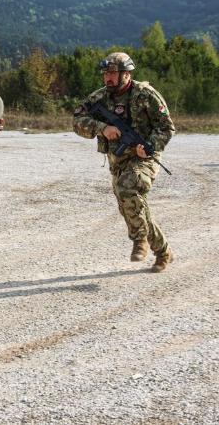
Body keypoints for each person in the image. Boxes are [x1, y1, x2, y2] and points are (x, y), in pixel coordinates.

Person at [73, 52, 175, 272]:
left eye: (112, 73)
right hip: (118, 161)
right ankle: (163, 251)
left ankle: (140, 240)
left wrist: (149, 146)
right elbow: (77, 120)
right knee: (133, 207)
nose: (107, 78)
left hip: (144, 158)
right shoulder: (99, 98)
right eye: (105, 73)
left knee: (128, 188)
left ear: (126, 74)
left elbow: (167, 128)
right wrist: (102, 128)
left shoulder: (146, 95)